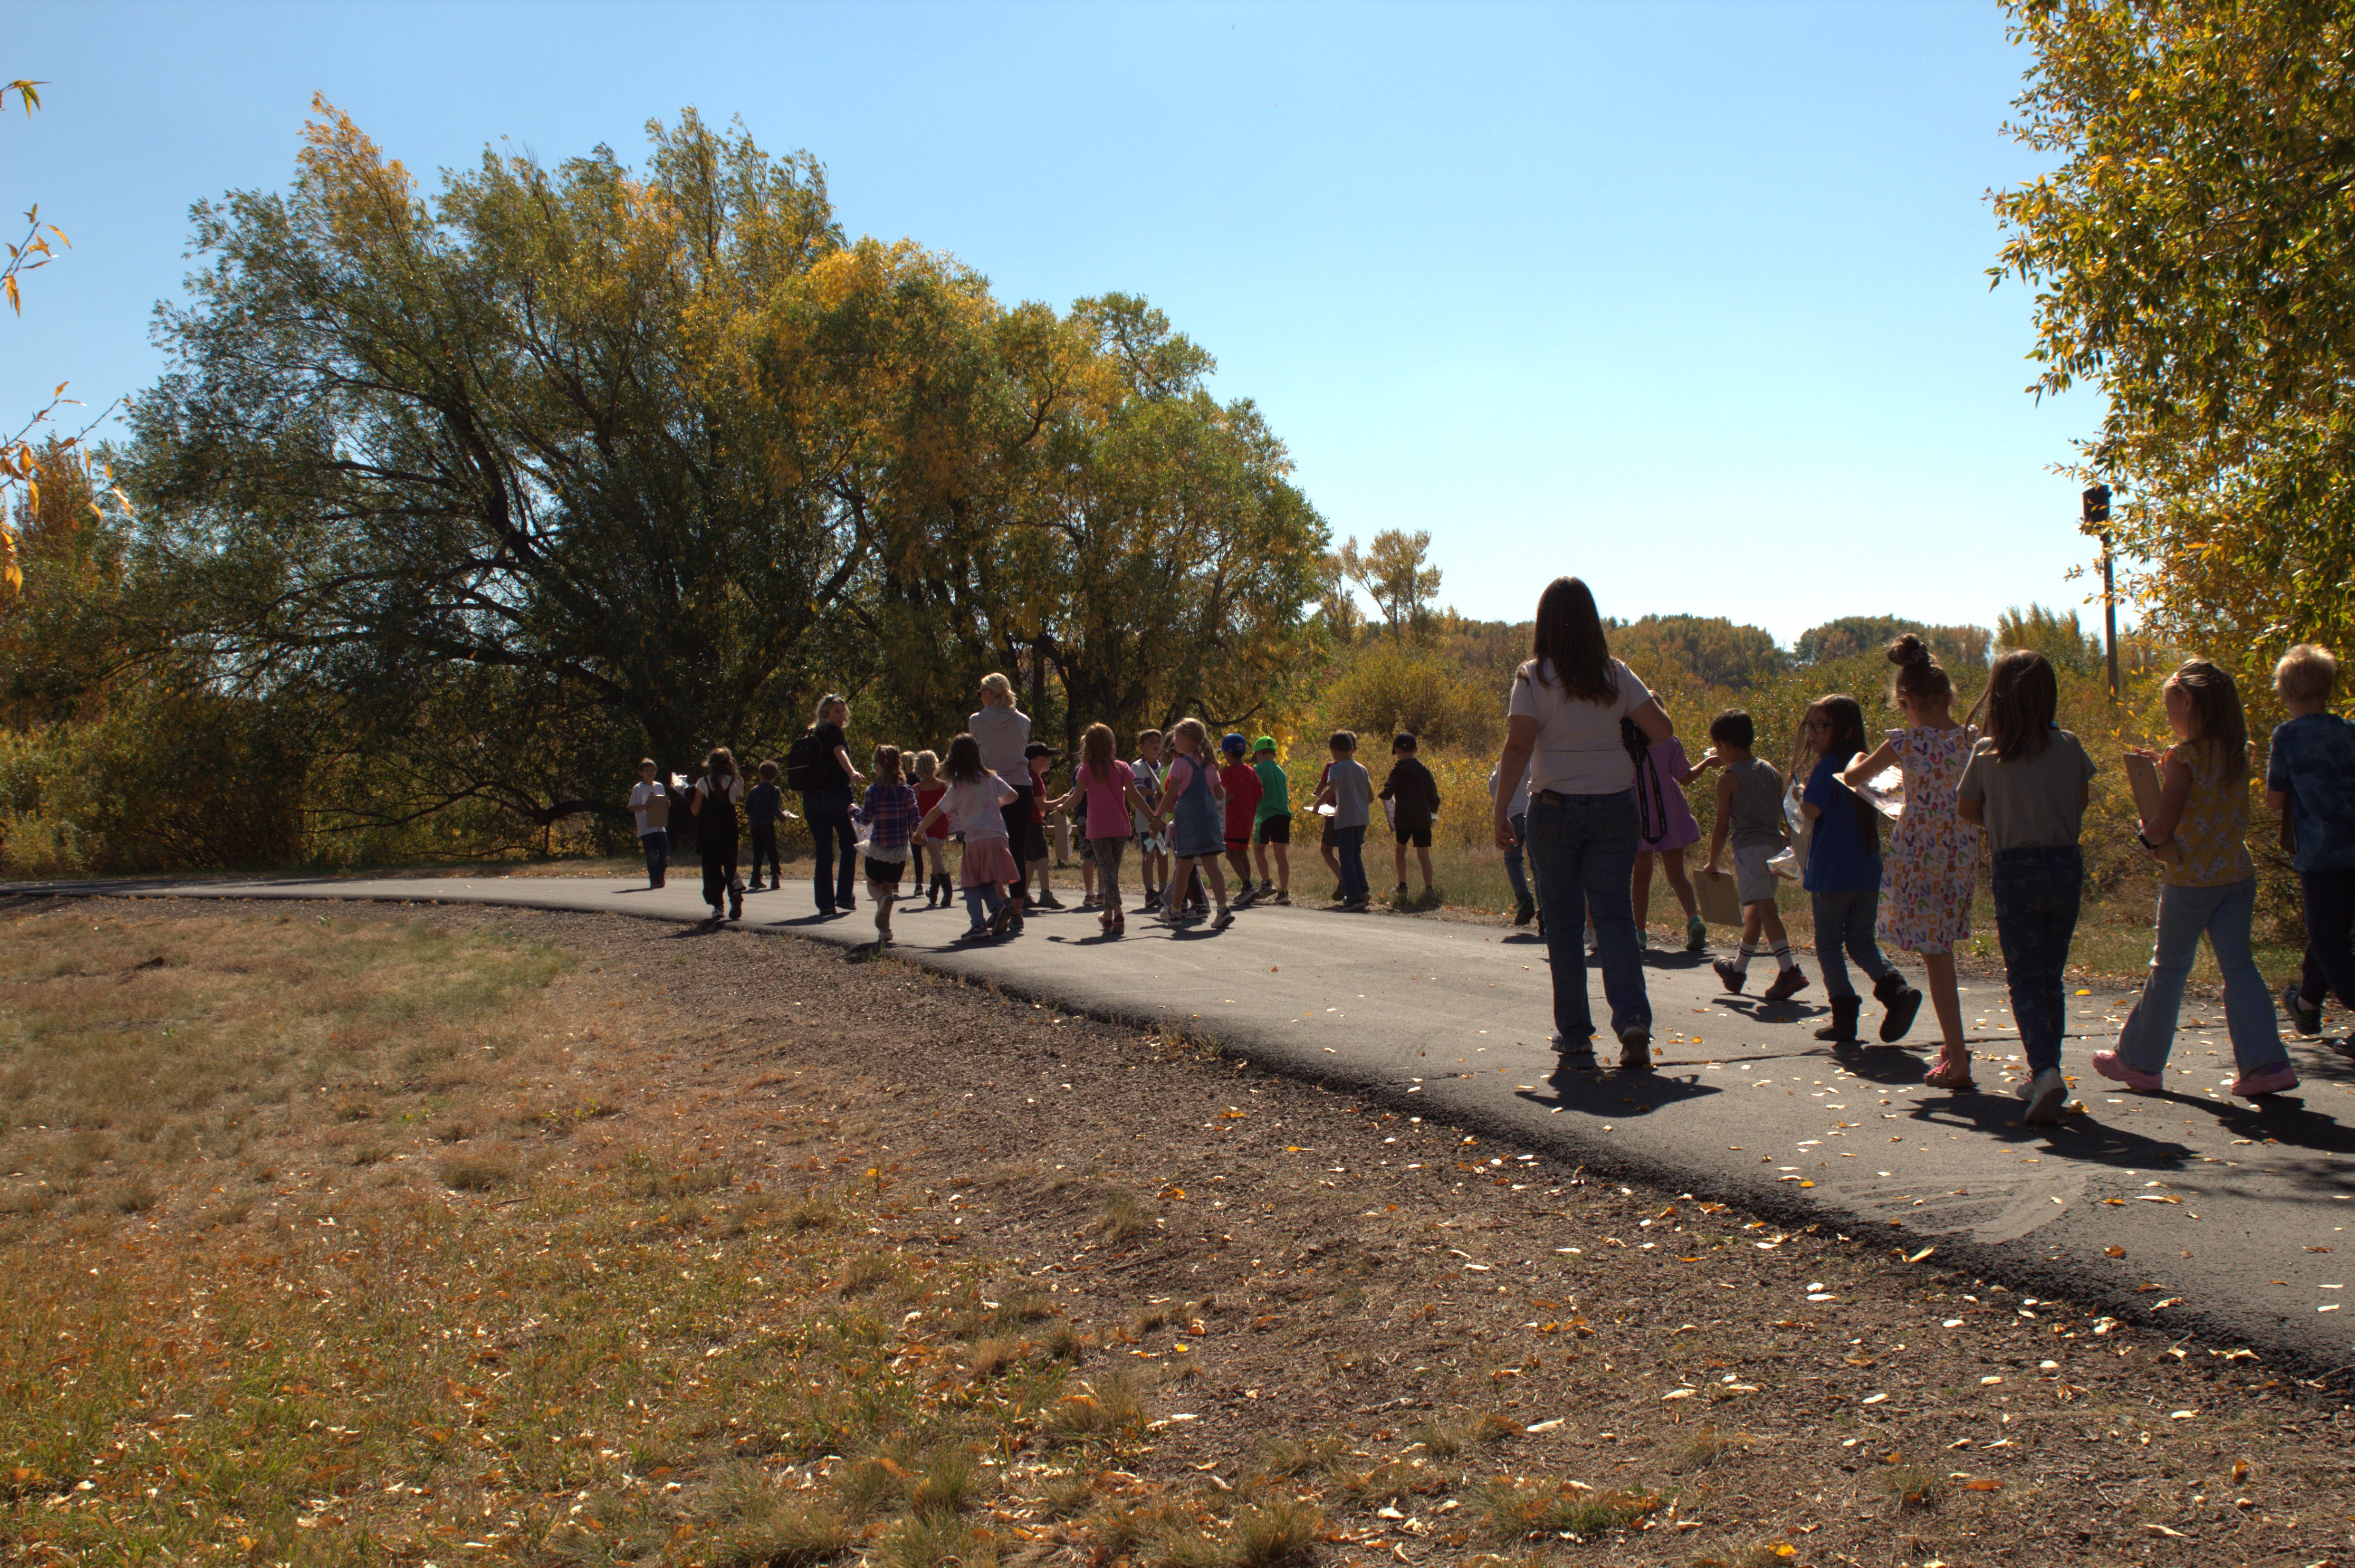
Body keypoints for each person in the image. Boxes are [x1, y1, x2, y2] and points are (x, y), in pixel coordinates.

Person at [2093, 660, 2298, 1099]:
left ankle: (2141, 1061)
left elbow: (2163, 826)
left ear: (2188, 701)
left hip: (2189, 882)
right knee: (2239, 966)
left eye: (2171, 708)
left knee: (2168, 968)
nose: (2169, 718)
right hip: (2236, 877)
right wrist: (2165, 767)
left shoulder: (2184, 759)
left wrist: (2145, 836)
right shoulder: (2237, 751)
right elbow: (2208, 799)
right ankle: (2267, 1063)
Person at [1490, 576, 1671, 1070]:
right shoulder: (1615, 673)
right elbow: (1663, 730)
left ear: (1544, 621)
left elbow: (1519, 745)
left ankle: (1574, 1035)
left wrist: (1501, 807)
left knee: (1565, 924)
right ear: (1592, 620)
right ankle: (1633, 1020)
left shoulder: (1532, 677)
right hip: (1615, 806)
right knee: (1614, 918)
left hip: (1553, 808)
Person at [1955, 653, 2098, 1123]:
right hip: (2065, 863)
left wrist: (2001, 815)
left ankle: (2045, 1069)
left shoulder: (1989, 753)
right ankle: (2047, 1069)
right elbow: (2082, 799)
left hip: (2014, 866)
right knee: (2050, 975)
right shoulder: (2070, 746)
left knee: (2023, 975)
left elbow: (1967, 808)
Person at [1842, 636, 1981, 1090]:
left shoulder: (1907, 741)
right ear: (1948, 697)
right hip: (1959, 852)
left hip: (1921, 852)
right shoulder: (1972, 739)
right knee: (1943, 950)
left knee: (1936, 956)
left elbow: (1854, 778)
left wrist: (1858, 759)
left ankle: (1957, 1055)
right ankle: (1952, 1045)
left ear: (1906, 701)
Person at [1798, 695, 1920, 1045]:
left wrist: (1798, 794)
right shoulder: (1867, 766)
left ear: (1845, 729)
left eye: (1822, 726)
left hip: (1832, 874)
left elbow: (1811, 811)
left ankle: (1844, 1015)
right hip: (1867, 872)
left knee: (1829, 944)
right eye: (1811, 725)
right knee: (1862, 941)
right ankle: (1896, 989)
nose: (1814, 733)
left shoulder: (1828, 767)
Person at [2263, 643, 2355, 1049]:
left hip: (2320, 854)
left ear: (2286, 689)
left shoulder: (2287, 736)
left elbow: (2275, 799)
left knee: (2326, 939)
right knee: (2333, 932)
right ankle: (2306, 1003)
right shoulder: (2348, 730)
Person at [1702, 710, 1807, 1002]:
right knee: (1755, 911)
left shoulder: (1729, 780)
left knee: (1765, 907)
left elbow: (1722, 826)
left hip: (1750, 849)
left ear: (1724, 746)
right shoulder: (1770, 771)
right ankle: (1737, 969)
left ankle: (1789, 970)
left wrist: (1713, 862)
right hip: (1774, 847)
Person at [1050, 722, 1158, 934]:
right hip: (1120, 826)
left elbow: (1077, 797)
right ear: (1111, 744)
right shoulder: (1122, 767)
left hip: (1098, 828)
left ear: (1088, 746)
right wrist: (1153, 817)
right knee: (1111, 873)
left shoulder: (1086, 769)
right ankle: (1108, 917)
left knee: (1108, 872)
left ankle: (1118, 913)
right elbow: (1135, 797)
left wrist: (1062, 807)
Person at [915, 732, 1021, 938]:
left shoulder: (958, 786)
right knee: (985, 879)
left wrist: (919, 832)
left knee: (970, 884)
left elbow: (937, 811)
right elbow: (1013, 796)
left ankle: (979, 926)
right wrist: (997, 803)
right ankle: (998, 907)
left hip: (976, 839)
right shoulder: (991, 778)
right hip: (999, 837)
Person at [1628, 712, 1706, 951]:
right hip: (1669, 815)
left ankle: (1640, 933)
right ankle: (1693, 919)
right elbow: (1685, 777)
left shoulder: (1626, 745)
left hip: (1640, 817)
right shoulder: (1670, 742)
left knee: (1641, 878)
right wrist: (1708, 762)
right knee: (1677, 875)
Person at [1155, 717, 1237, 930]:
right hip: (1209, 819)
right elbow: (1219, 794)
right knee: (1212, 865)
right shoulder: (1209, 765)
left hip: (1188, 820)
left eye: (1177, 737)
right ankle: (1222, 908)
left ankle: (1174, 912)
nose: (1174, 741)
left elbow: (1171, 794)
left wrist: (1157, 816)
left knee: (1184, 866)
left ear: (1187, 739)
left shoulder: (1179, 764)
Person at [971, 674, 1034, 932]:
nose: (980, 696)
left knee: (990, 849)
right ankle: (1017, 911)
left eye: (981, 691)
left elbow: (977, 753)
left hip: (991, 787)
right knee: (1017, 849)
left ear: (989, 693)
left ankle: (1002, 902)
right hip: (1021, 787)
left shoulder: (977, 720)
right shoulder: (1024, 721)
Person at [797, 694, 865, 918]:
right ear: (825, 713)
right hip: (836, 796)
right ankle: (844, 896)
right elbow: (840, 752)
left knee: (824, 851)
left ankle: (825, 904)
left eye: (842, 711)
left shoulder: (812, 733)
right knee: (849, 845)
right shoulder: (833, 732)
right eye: (837, 711)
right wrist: (852, 772)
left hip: (812, 800)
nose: (841, 716)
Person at [853, 745, 919, 948]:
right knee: (889, 885)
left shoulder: (872, 791)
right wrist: (920, 833)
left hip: (879, 846)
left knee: (873, 884)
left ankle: (882, 904)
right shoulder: (907, 790)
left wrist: (853, 811)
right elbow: (915, 818)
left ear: (878, 768)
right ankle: (885, 930)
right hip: (899, 849)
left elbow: (865, 819)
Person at [1314, 731, 1375, 910]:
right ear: (1351, 748)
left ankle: (1354, 898)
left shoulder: (1336, 768)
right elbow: (1370, 797)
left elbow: (1331, 788)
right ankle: (1363, 891)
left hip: (1345, 819)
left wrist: (1319, 804)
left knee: (1346, 858)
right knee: (1355, 855)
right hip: (1362, 819)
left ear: (1334, 751)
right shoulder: (1362, 768)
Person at [1380, 731, 1442, 907]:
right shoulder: (1424, 770)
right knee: (1423, 854)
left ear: (1398, 751)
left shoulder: (1397, 770)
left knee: (1401, 850)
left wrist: (1382, 794)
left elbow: (1388, 792)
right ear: (1416, 750)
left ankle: (1403, 886)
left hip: (1403, 819)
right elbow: (1433, 795)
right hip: (1423, 819)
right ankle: (1429, 889)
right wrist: (1433, 811)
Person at [687, 746, 746, 922]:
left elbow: (695, 811)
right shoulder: (735, 781)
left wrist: (688, 796)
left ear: (710, 764)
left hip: (709, 830)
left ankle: (718, 906)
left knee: (711, 867)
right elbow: (736, 800)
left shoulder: (703, 782)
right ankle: (735, 891)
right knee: (730, 863)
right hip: (729, 828)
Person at [1217, 733, 1265, 905]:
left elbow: (1228, 796)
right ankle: (1247, 888)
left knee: (1231, 854)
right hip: (1247, 820)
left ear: (1228, 754)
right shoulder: (1251, 771)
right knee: (1242, 852)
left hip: (1232, 820)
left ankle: (1248, 885)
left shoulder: (1228, 772)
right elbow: (1260, 795)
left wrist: (1218, 801)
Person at [1489, 761, 1536, 927]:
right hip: (1530, 814)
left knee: (1513, 860)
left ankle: (1525, 900)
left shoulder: (1500, 770)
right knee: (1538, 864)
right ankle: (1545, 910)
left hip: (1511, 819)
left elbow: (1493, 789)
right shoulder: (1529, 762)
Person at [1249, 736, 1293, 905]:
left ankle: (1267, 883)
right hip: (1283, 815)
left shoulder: (1257, 769)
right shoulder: (1281, 771)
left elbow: (1255, 791)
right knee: (1281, 856)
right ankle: (1284, 892)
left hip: (1266, 815)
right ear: (1274, 754)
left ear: (1259, 754)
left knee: (1259, 849)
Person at [1131, 729, 1169, 913]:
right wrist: (1154, 793)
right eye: (1151, 742)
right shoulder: (1138, 767)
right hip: (1146, 820)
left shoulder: (1163, 768)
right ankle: (1149, 892)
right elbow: (1136, 790)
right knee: (1149, 854)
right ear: (1141, 747)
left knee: (1163, 854)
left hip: (1162, 820)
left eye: (1158, 741)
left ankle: (1163, 891)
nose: (1156, 745)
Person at [911, 750, 953, 908]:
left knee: (937, 859)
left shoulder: (917, 789)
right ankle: (933, 892)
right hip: (942, 825)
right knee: (936, 859)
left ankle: (947, 891)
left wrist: (913, 830)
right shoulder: (944, 785)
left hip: (927, 828)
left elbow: (913, 812)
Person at [1022, 742, 1062, 908]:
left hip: (1027, 824)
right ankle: (1046, 894)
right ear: (1033, 761)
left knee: (1031, 861)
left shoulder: (1031, 777)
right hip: (1032, 824)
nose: (1049, 760)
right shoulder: (1034, 780)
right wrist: (1062, 800)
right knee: (1043, 859)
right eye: (1045, 757)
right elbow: (1042, 805)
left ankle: (1023, 895)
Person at [627, 759, 670, 889]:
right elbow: (631, 808)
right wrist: (644, 806)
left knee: (665, 851)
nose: (650, 773)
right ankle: (655, 878)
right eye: (647, 771)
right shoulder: (638, 788)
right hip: (646, 826)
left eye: (653, 770)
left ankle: (660, 875)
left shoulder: (659, 786)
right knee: (651, 853)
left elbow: (662, 802)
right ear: (641, 773)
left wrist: (666, 804)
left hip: (659, 824)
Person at [746, 760, 785, 892]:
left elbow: (747, 809)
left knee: (758, 852)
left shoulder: (754, 791)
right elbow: (775, 808)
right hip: (767, 824)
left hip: (755, 825)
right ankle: (775, 876)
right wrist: (782, 817)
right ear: (774, 776)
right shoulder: (775, 790)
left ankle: (755, 878)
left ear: (761, 776)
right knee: (772, 851)